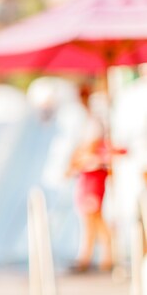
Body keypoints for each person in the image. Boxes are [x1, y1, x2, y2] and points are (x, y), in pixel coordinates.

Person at [67, 84, 124, 273]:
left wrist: (75, 160)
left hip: (93, 172)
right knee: (89, 216)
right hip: (88, 172)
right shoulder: (88, 122)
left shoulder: (94, 123)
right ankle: (90, 254)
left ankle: (105, 254)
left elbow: (90, 147)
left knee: (94, 214)